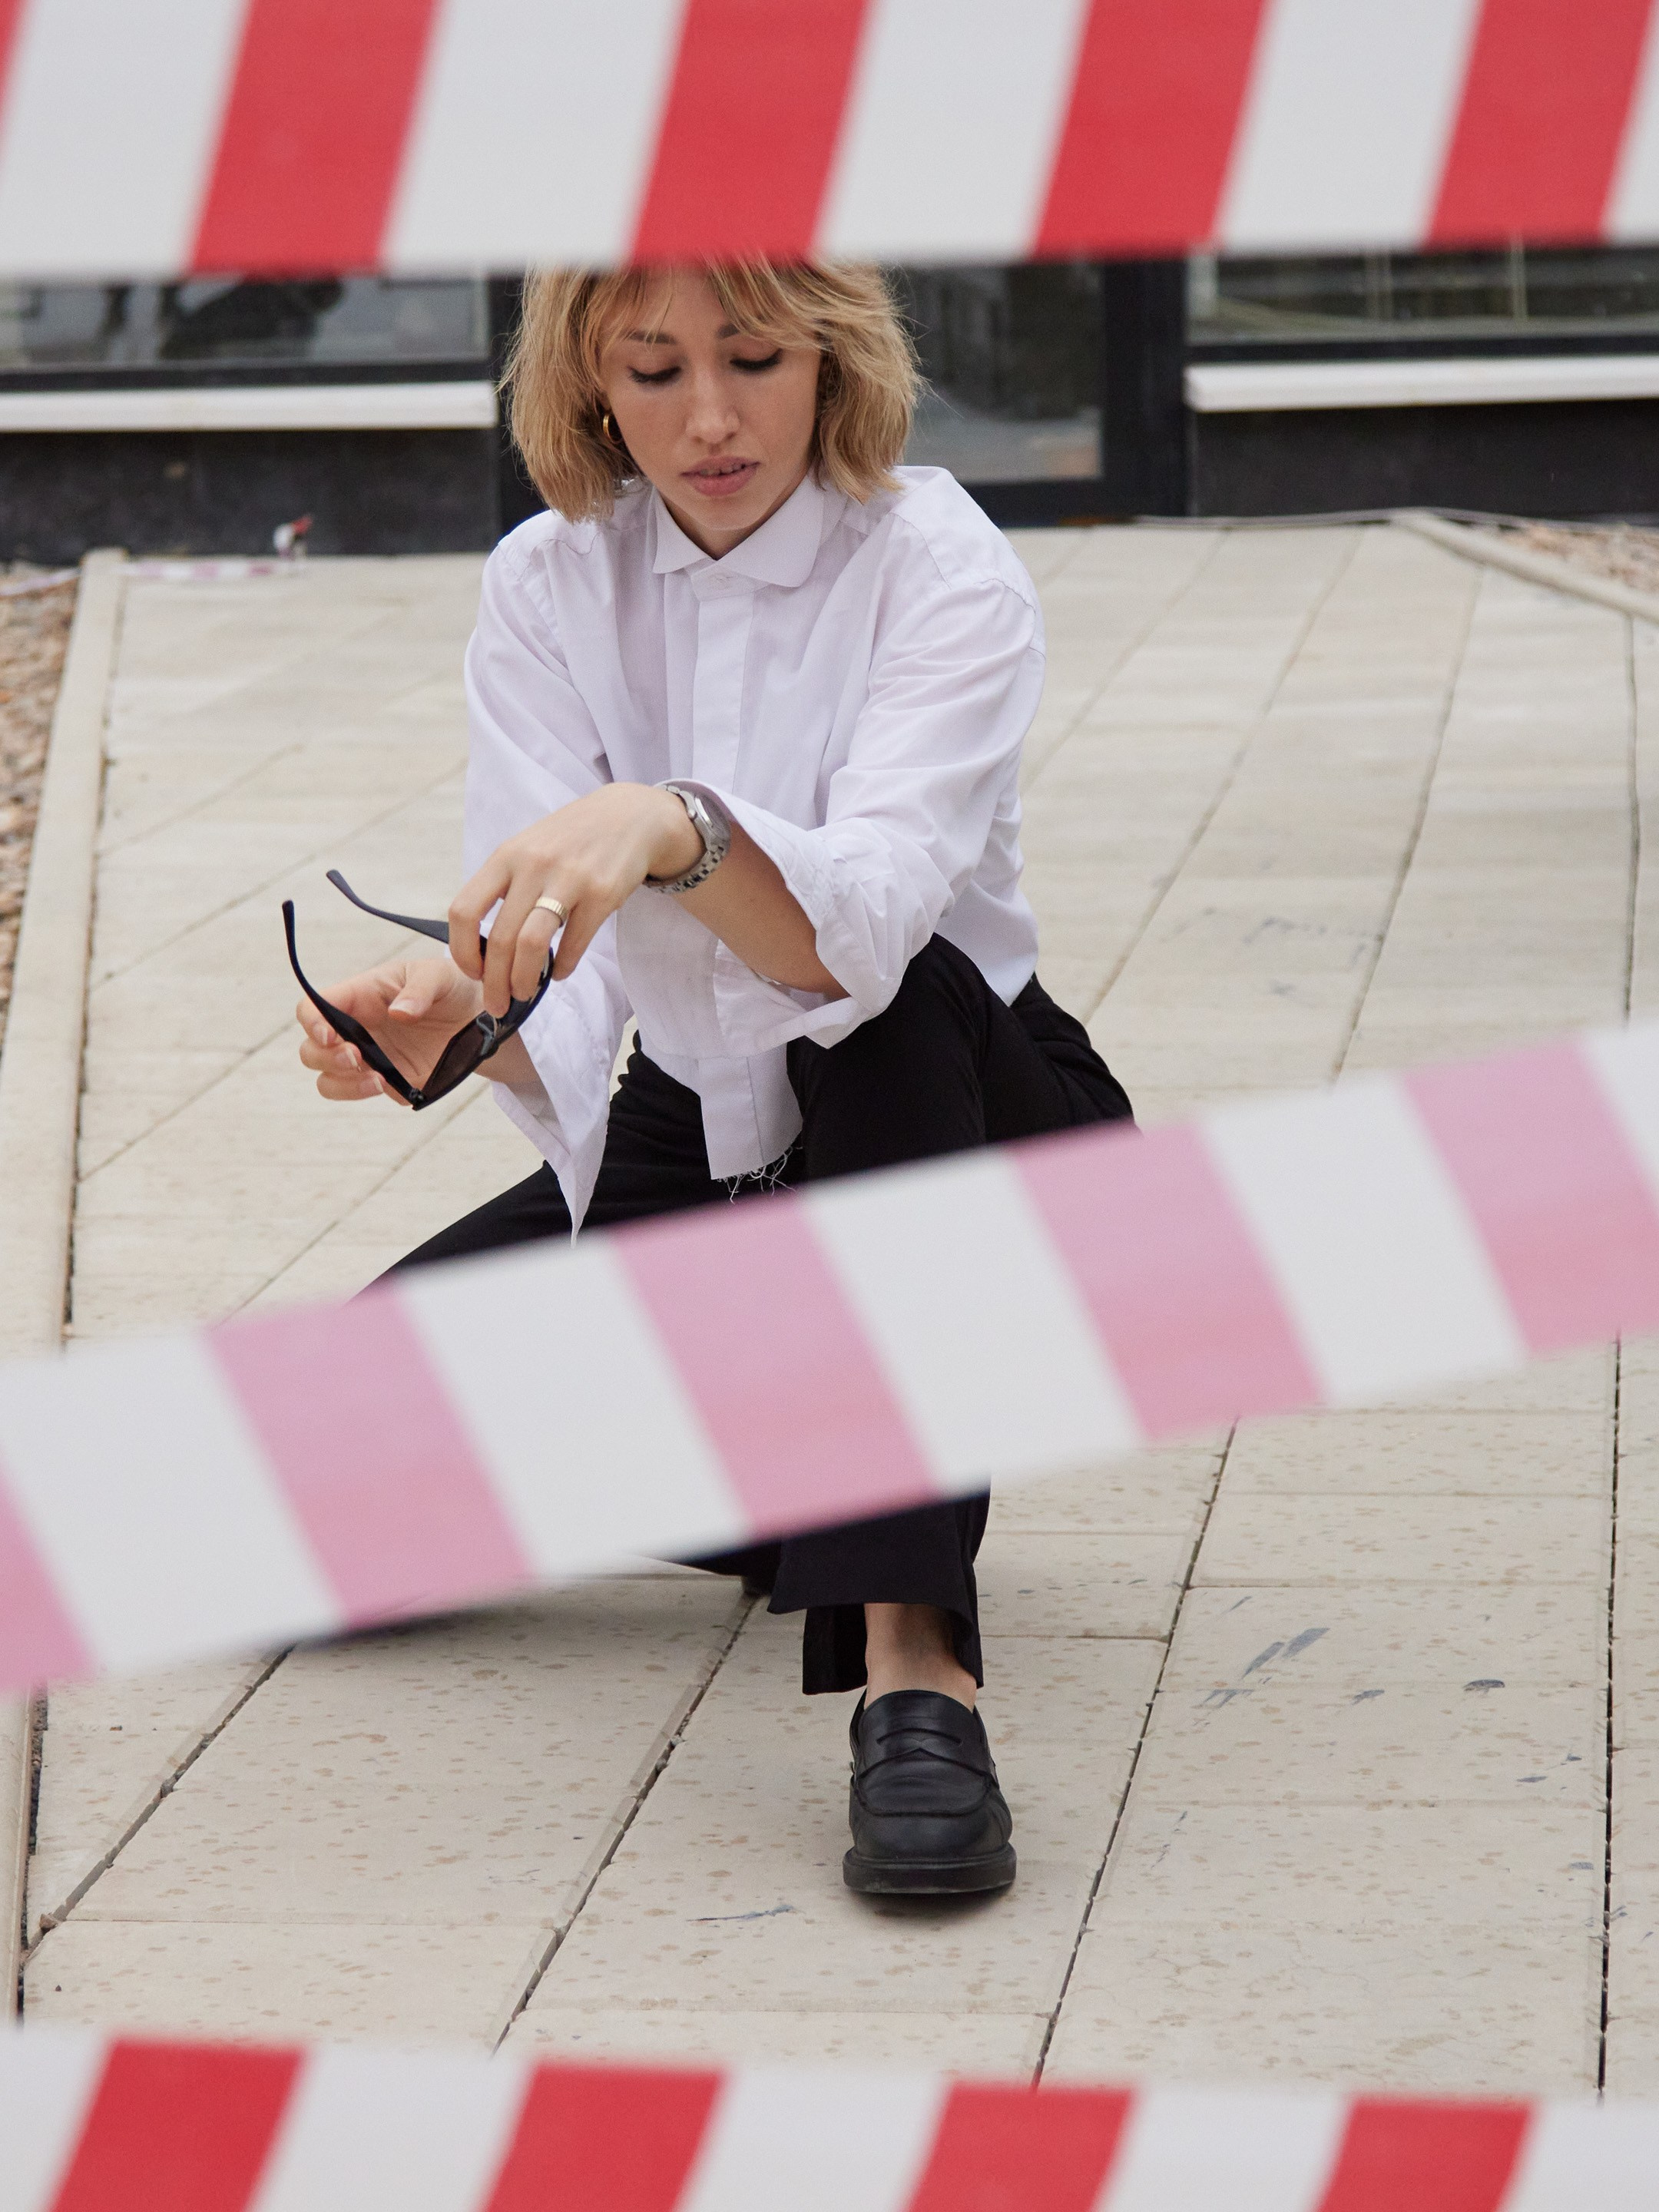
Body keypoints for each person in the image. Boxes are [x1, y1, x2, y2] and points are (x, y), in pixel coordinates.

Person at [294, 260, 1132, 1898]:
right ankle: (829, 1471)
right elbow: (554, 929)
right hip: (713, 1120)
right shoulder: (550, 583)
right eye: (656, 368)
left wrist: (679, 824)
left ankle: (914, 1669)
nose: (713, 415)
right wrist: (458, 1003)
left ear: (834, 356)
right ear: (590, 381)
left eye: (755, 357)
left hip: (983, 1130)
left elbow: (867, 927)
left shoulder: (936, 560)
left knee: (879, 1009)